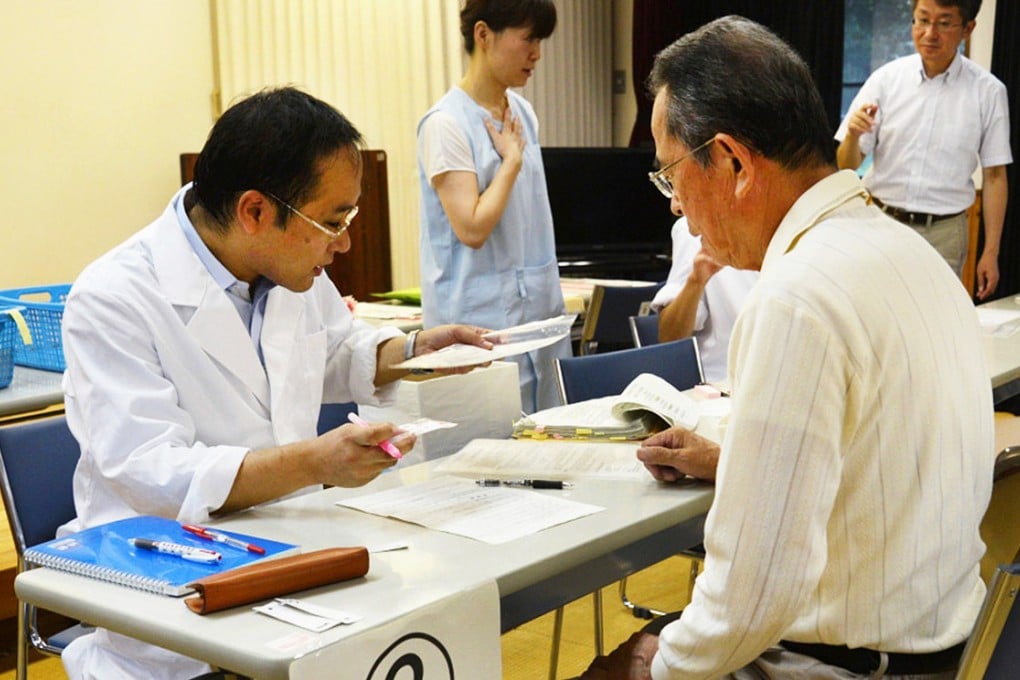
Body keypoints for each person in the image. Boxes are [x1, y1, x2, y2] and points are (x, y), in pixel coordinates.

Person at [578, 16, 994, 679]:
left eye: (670, 176)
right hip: (953, 643)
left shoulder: (796, 297)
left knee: (616, 667)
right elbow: (880, 459)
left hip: (847, 663)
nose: (675, 206)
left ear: (735, 162)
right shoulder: (909, 253)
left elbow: (753, 596)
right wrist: (738, 460)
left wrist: (658, 667)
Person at [59, 87, 492, 680]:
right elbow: (152, 473)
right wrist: (316, 462)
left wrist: (414, 351)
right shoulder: (112, 298)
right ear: (255, 211)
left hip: (299, 563)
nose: (342, 243)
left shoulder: (289, 267)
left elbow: (336, 349)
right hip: (174, 600)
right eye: (333, 221)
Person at [417, 0, 570, 414]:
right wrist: (511, 163)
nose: (536, 53)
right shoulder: (444, 123)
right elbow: (470, 228)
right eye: (528, 39)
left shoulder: (523, 114)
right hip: (477, 324)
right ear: (483, 35)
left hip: (538, 315)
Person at [835, 0, 1011, 300]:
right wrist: (852, 135)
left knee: (932, 327)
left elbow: (995, 176)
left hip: (944, 233)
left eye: (944, 23)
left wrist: (990, 252)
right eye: (922, 20)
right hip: (880, 221)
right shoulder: (886, 79)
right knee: (872, 315)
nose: (930, 33)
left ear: (968, 28)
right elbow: (846, 166)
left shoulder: (988, 91)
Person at [650, 217, 757, 384]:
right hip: (719, 384)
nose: (674, 208)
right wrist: (695, 281)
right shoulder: (691, 229)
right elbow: (670, 338)